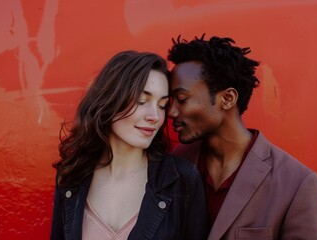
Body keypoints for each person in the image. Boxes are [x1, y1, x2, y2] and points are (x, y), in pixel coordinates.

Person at [168, 35, 317, 240]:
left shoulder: (298, 183)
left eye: (182, 99)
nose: (171, 111)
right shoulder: (176, 162)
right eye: (170, 101)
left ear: (227, 98)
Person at [50, 50, 209, 240]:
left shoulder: (183, 180)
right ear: (111, 100)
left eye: (162, 105)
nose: (154, 117)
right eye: (142, 101)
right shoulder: (72, 177)